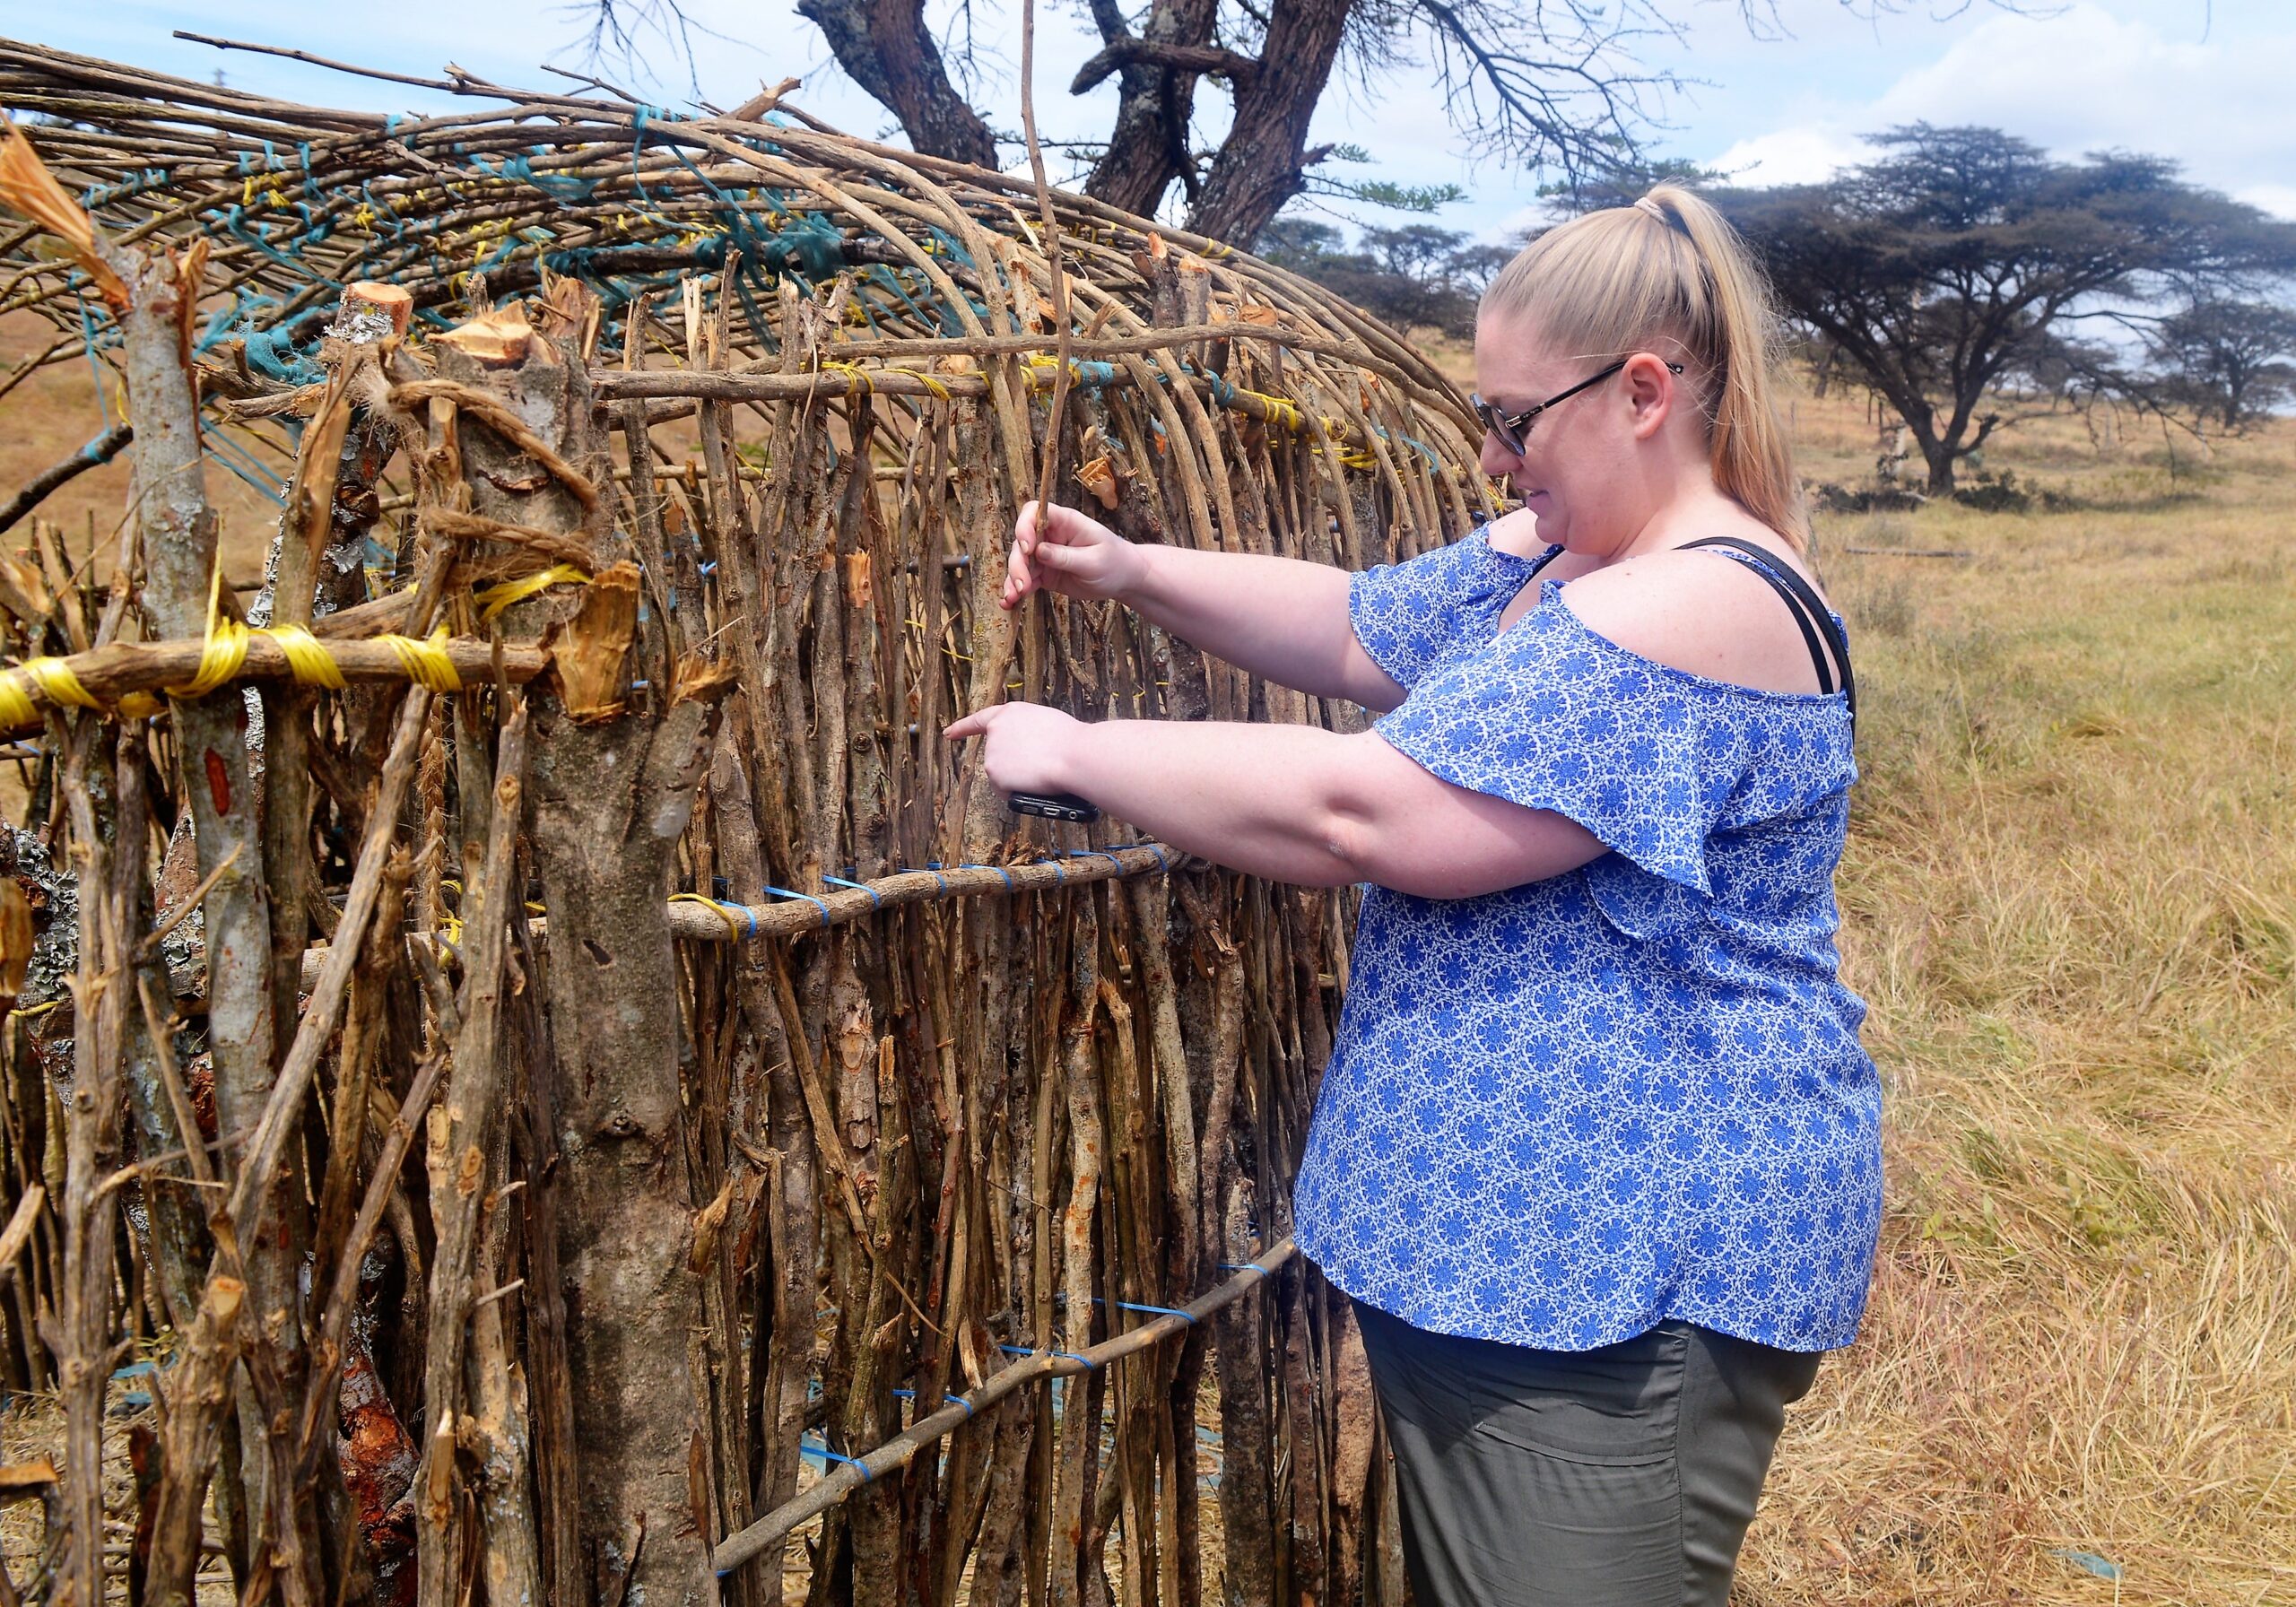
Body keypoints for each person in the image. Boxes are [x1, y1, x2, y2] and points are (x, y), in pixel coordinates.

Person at [944, 185, 1881, 1607]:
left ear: (1641, 395)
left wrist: (1075, 751)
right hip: (1524, 1259)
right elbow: (1351, 623)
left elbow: (1368, 811)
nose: (1493, 458)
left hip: (1618, 1270)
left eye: (1515, 421)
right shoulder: (1574, 560)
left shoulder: (1699, 604)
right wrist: (1129, 571)